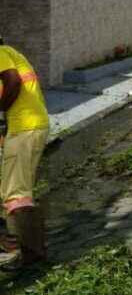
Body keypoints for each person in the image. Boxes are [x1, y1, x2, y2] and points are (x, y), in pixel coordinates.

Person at [0, 41, 49, 270]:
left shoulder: (0, 54)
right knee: (15, 191)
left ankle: (31, 255)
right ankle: (25, 248)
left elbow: (12, 80)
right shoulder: (10, 52)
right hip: (25, 126)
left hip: (24, 128)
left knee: (16, 194)